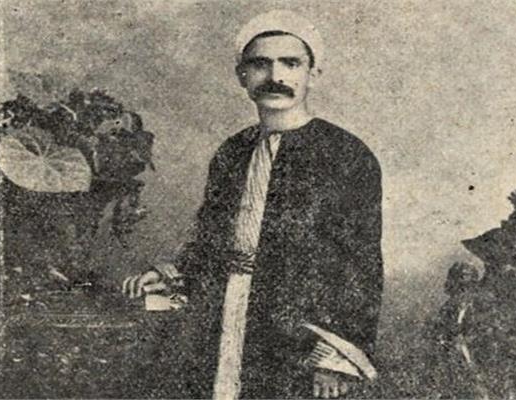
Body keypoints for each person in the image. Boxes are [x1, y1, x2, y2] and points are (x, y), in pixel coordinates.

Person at [123, 10, 383, 399]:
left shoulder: (346, 154)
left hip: (299, 332)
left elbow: (360, 264)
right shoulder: (232, 151)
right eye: (260, 64)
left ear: (312, 74)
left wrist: (334, 357)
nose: (275, 76)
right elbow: (211, 239)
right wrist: (172, 276)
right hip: (224, 318)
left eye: (290, 63)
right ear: (241, 75)